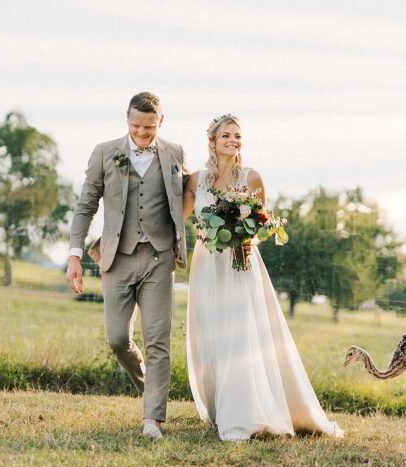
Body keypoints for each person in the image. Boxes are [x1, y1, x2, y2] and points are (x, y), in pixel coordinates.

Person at [182, 114, 344, 441]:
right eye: (226, 135)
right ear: (212, 141)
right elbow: (179, 217)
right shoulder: (195, 180)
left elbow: (261, 226)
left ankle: (244, 414)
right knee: (211, 333)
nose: (233, 140)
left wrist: (239, 235)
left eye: (237, 136)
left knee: (240, 336)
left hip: (240, 263)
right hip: (206, 266)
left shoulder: (252, 177)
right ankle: (219, 406)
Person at [67, 92, 188, 440]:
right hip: (116, 258)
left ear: (160, 122)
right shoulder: (105, 153)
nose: (142, 132)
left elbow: (190, 195)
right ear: (127, 119)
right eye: (136, 125)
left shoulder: (176, 154)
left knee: (158, 340)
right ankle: (150, 388)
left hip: (158, 257)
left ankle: (153, 419)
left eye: (149, 126)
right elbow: (85, 205)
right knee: (118, 338)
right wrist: (74, 255)